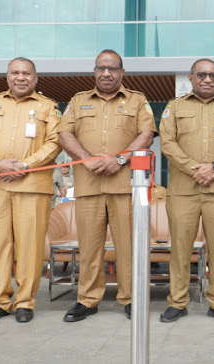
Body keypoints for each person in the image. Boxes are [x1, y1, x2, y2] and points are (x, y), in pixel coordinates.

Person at [58, 49, 156, 322]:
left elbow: (146, 134)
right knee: (89, 247)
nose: (106, 73)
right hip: (88, 185)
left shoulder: (137, 100)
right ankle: (87, 299)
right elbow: (65, 133)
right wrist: (85, 159)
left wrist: (121, 158)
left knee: (128, 247)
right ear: (94, 71)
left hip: (125, 185)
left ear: (122, 72)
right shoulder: (78, 101)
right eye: (101, 68)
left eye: (113, 68)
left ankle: (131, 298)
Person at [0, 57, 62, 324]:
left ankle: (25, 302)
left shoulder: (48, 107)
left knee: (30, 247)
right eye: (15, 73)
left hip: (32, 185)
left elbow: (56, 141)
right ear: (7, 76)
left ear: (35, 78)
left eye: (26, 73)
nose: (20, 77)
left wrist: (26, 164)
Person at [159, 58, 214, 323]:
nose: (208, 79)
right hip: (183, 191)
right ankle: (178, 302)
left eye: (213, 75)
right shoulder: (175, 107)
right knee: (181, 249)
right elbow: (167, 142)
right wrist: (195, 168)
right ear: (191, 77)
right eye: (202, 75)